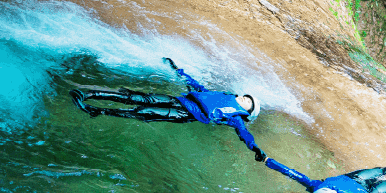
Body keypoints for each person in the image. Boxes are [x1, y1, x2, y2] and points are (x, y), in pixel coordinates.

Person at [70, 57, 266, 161]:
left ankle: (97, 110)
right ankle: (88, 95)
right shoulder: (223, 96)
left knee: (140, 112)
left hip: (181, 113)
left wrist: (255, 148)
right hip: (177, 100)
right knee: (134, 97)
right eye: (246, 96)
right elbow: (197, 87)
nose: (244, 98)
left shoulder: (236, 119)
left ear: (246, 112)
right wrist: (177, 70)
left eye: (248, 102)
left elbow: (244, 135)